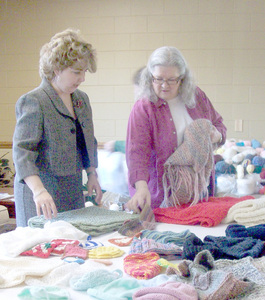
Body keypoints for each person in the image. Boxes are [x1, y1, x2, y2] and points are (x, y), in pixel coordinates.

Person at [13, 28, 103, 227]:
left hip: (71, 188)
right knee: (41, 249)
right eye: (76, 72)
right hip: (39, 191)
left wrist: (92, 174)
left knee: (73, 245)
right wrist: (39, 191)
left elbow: (88, 141)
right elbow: (22, 152)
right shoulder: (34, 101)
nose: (82, 79)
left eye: (84, 72)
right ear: (56, 68)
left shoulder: (81, 100)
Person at [125, 46, 226, 213]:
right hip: (163, 194)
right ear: (150, 76)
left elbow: (219, 126)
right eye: (158, 79)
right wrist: (141, 187)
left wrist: (215, 135)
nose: (164, 85)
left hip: (200, 190)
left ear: (183, 78)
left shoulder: (197, 96)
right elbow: (137, 153)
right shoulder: (143, 108)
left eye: (172, 80)